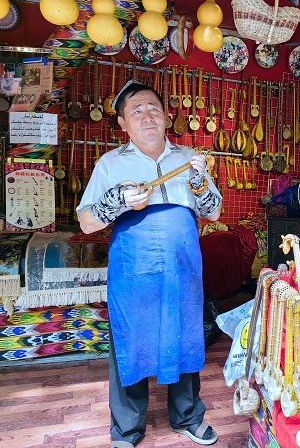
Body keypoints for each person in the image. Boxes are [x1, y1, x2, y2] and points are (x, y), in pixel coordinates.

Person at [77, 80, 222, 447]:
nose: (147, 115)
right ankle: (127, 428)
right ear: (123, 124)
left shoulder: (188, 158)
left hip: (182, 268)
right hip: (134, 272)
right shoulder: (110, 164)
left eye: (153, 108)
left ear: (167, 116)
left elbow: (214, 210)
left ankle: (187, 417)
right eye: (136, 110)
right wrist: (120, 201)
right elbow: (87, 221)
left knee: (186, 334)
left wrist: (200, 182)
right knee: (132, 341)